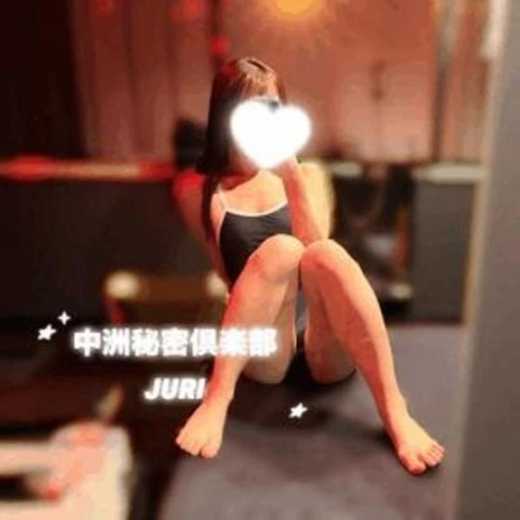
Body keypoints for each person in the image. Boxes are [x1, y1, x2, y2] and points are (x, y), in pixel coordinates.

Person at [172, 56, 445, 475]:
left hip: (320, 337)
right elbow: (225, 274)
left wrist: (292, 177)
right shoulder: (200, 189)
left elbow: (316, 254)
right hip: (265, 343)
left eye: (271, 108)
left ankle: (395, 411)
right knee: (280, 250)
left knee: (325, 254)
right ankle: (217, 399)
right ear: (227, 115)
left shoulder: (309, 175)